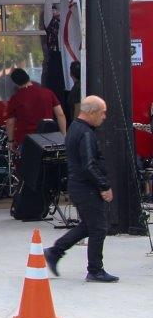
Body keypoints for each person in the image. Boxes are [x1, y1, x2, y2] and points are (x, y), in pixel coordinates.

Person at [44, 96, 117, 283]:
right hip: (87, 188)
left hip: (79, 186)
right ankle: (95, 270)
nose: (104, 117)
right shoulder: (85, 133)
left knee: (89, 225)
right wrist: (104, 185)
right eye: (102, 112)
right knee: (99, 228)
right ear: (91, 112)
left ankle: (54, 251)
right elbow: (89, 165)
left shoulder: (75, 128)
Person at [6, 67, 67, 150]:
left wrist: (10, 141)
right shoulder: (48, 93)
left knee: (29, 162)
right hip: (48, 137)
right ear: (28, 76)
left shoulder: (15, 98)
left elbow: (10, 123)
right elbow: (60, 114)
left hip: (26, 139)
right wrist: (63, 135)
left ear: (15, 83)